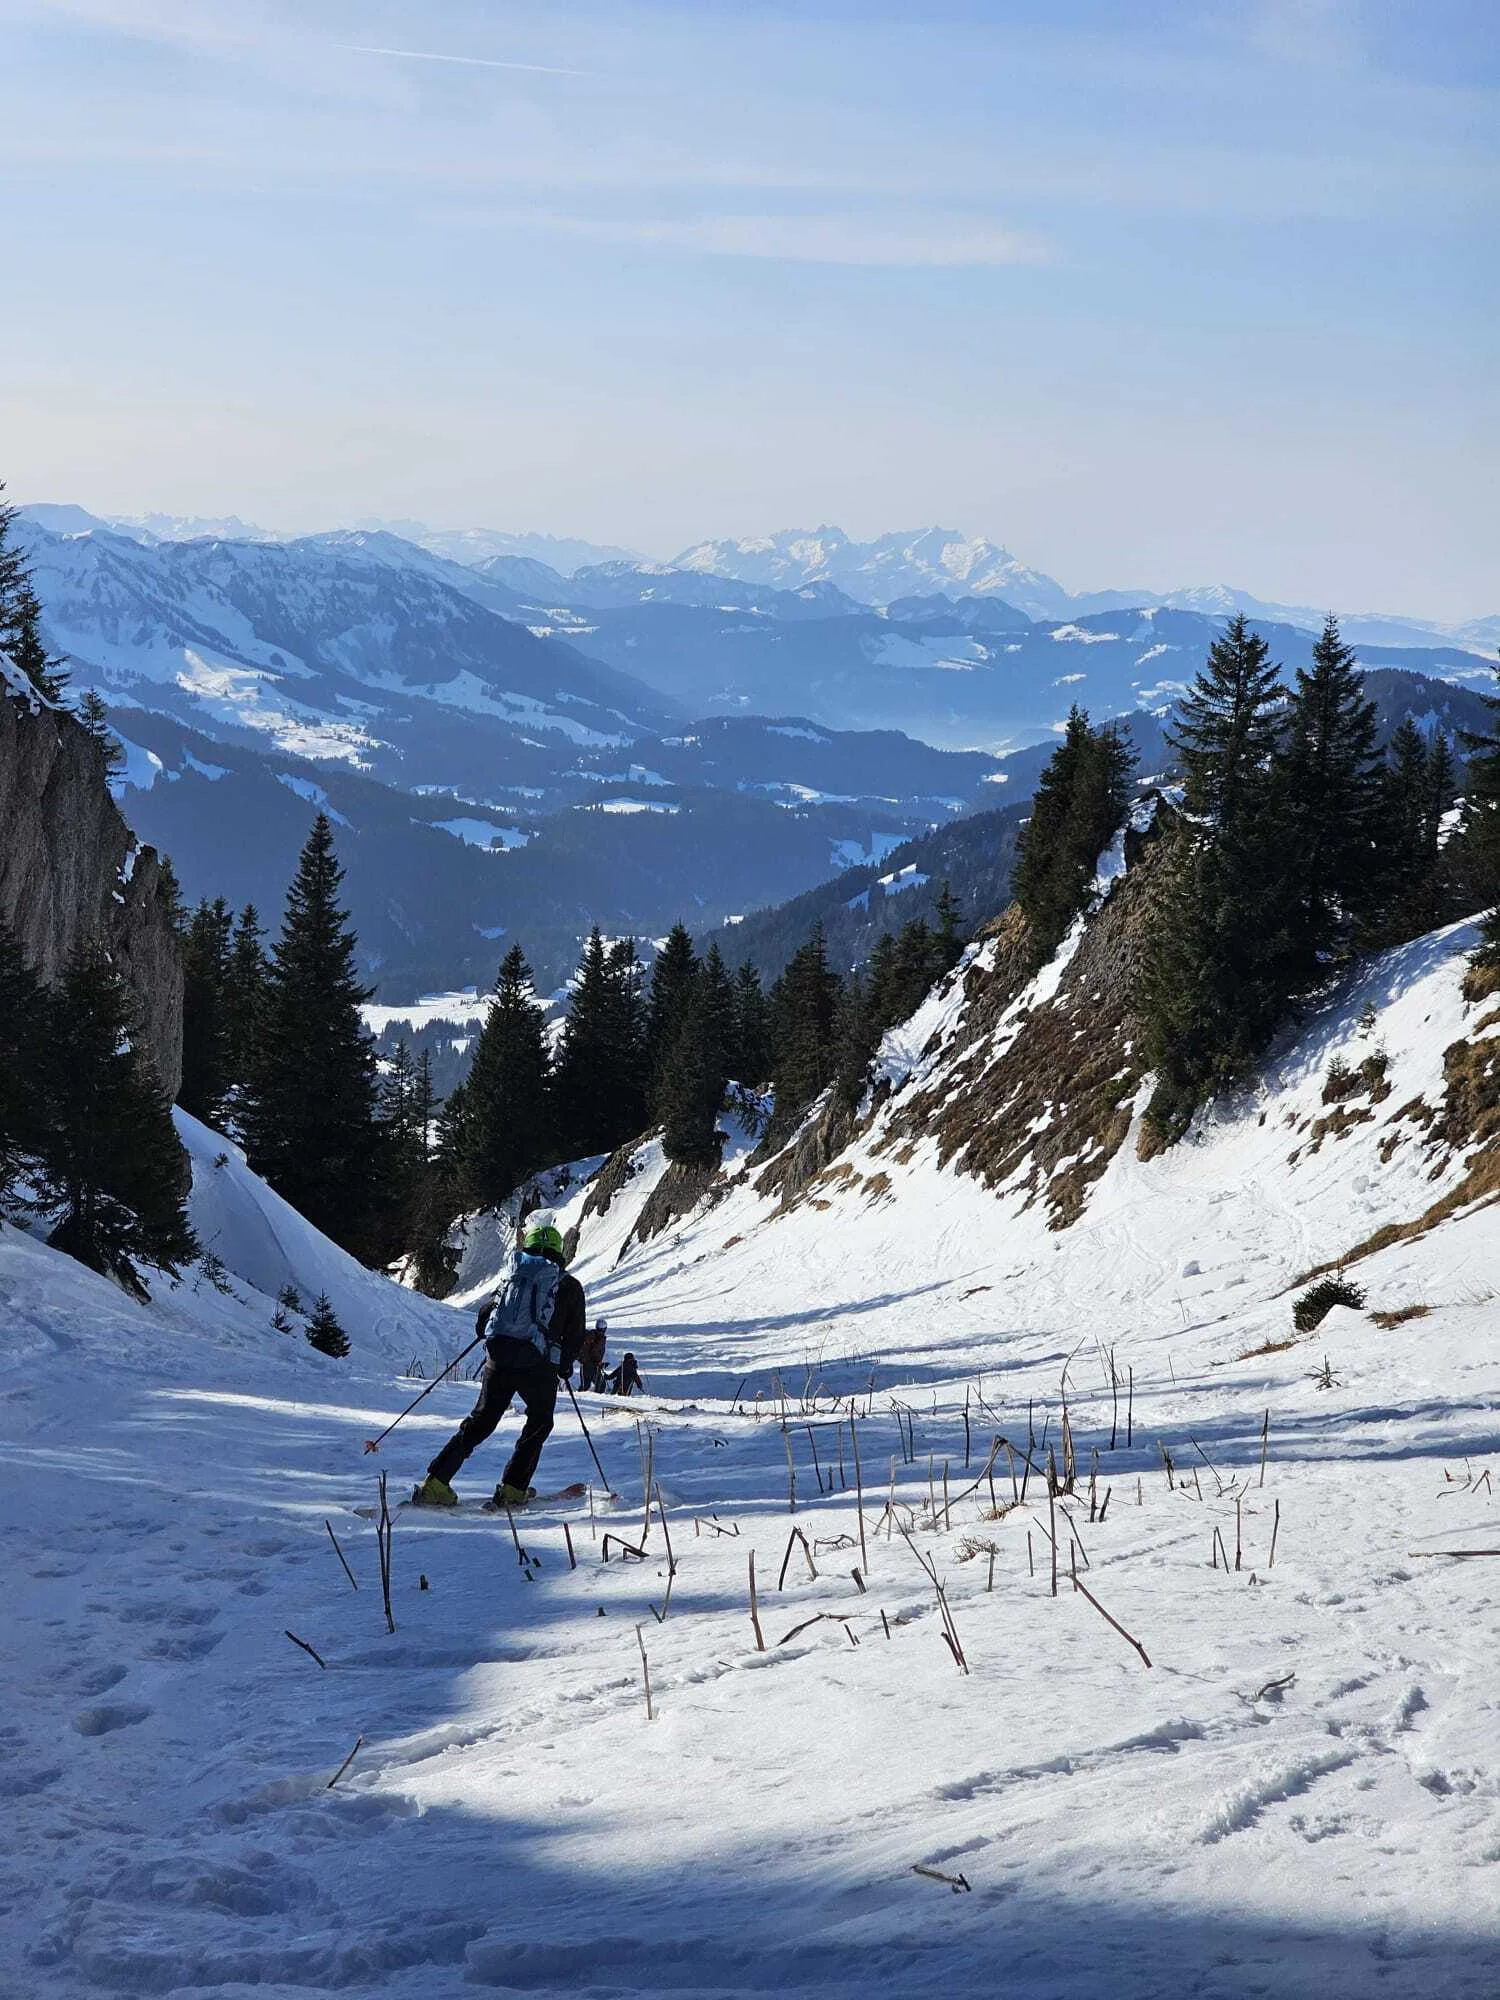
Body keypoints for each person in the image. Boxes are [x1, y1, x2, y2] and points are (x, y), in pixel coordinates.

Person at [413, 1217, 586, 1508]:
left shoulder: (513, 1274)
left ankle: (436, 1483)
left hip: (499, 1357)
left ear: (528, 1247)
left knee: (481, 1421)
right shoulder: (568, 1284)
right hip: (537, 1364)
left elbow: (485, 1317)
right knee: (539, 1422)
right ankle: (513, 1489)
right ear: (558, 1251)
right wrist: (565, 1366)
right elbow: (575, 1334)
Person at [577, 1320, 608, 1392]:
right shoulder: (599, 1337)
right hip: (591, 1364)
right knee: (600, 1384)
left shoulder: (591, 1334)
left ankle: (582, 1394)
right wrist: (598, 1361)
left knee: (587, 1384)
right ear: (604, 1329)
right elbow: (595, 1351)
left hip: (586, 1362)